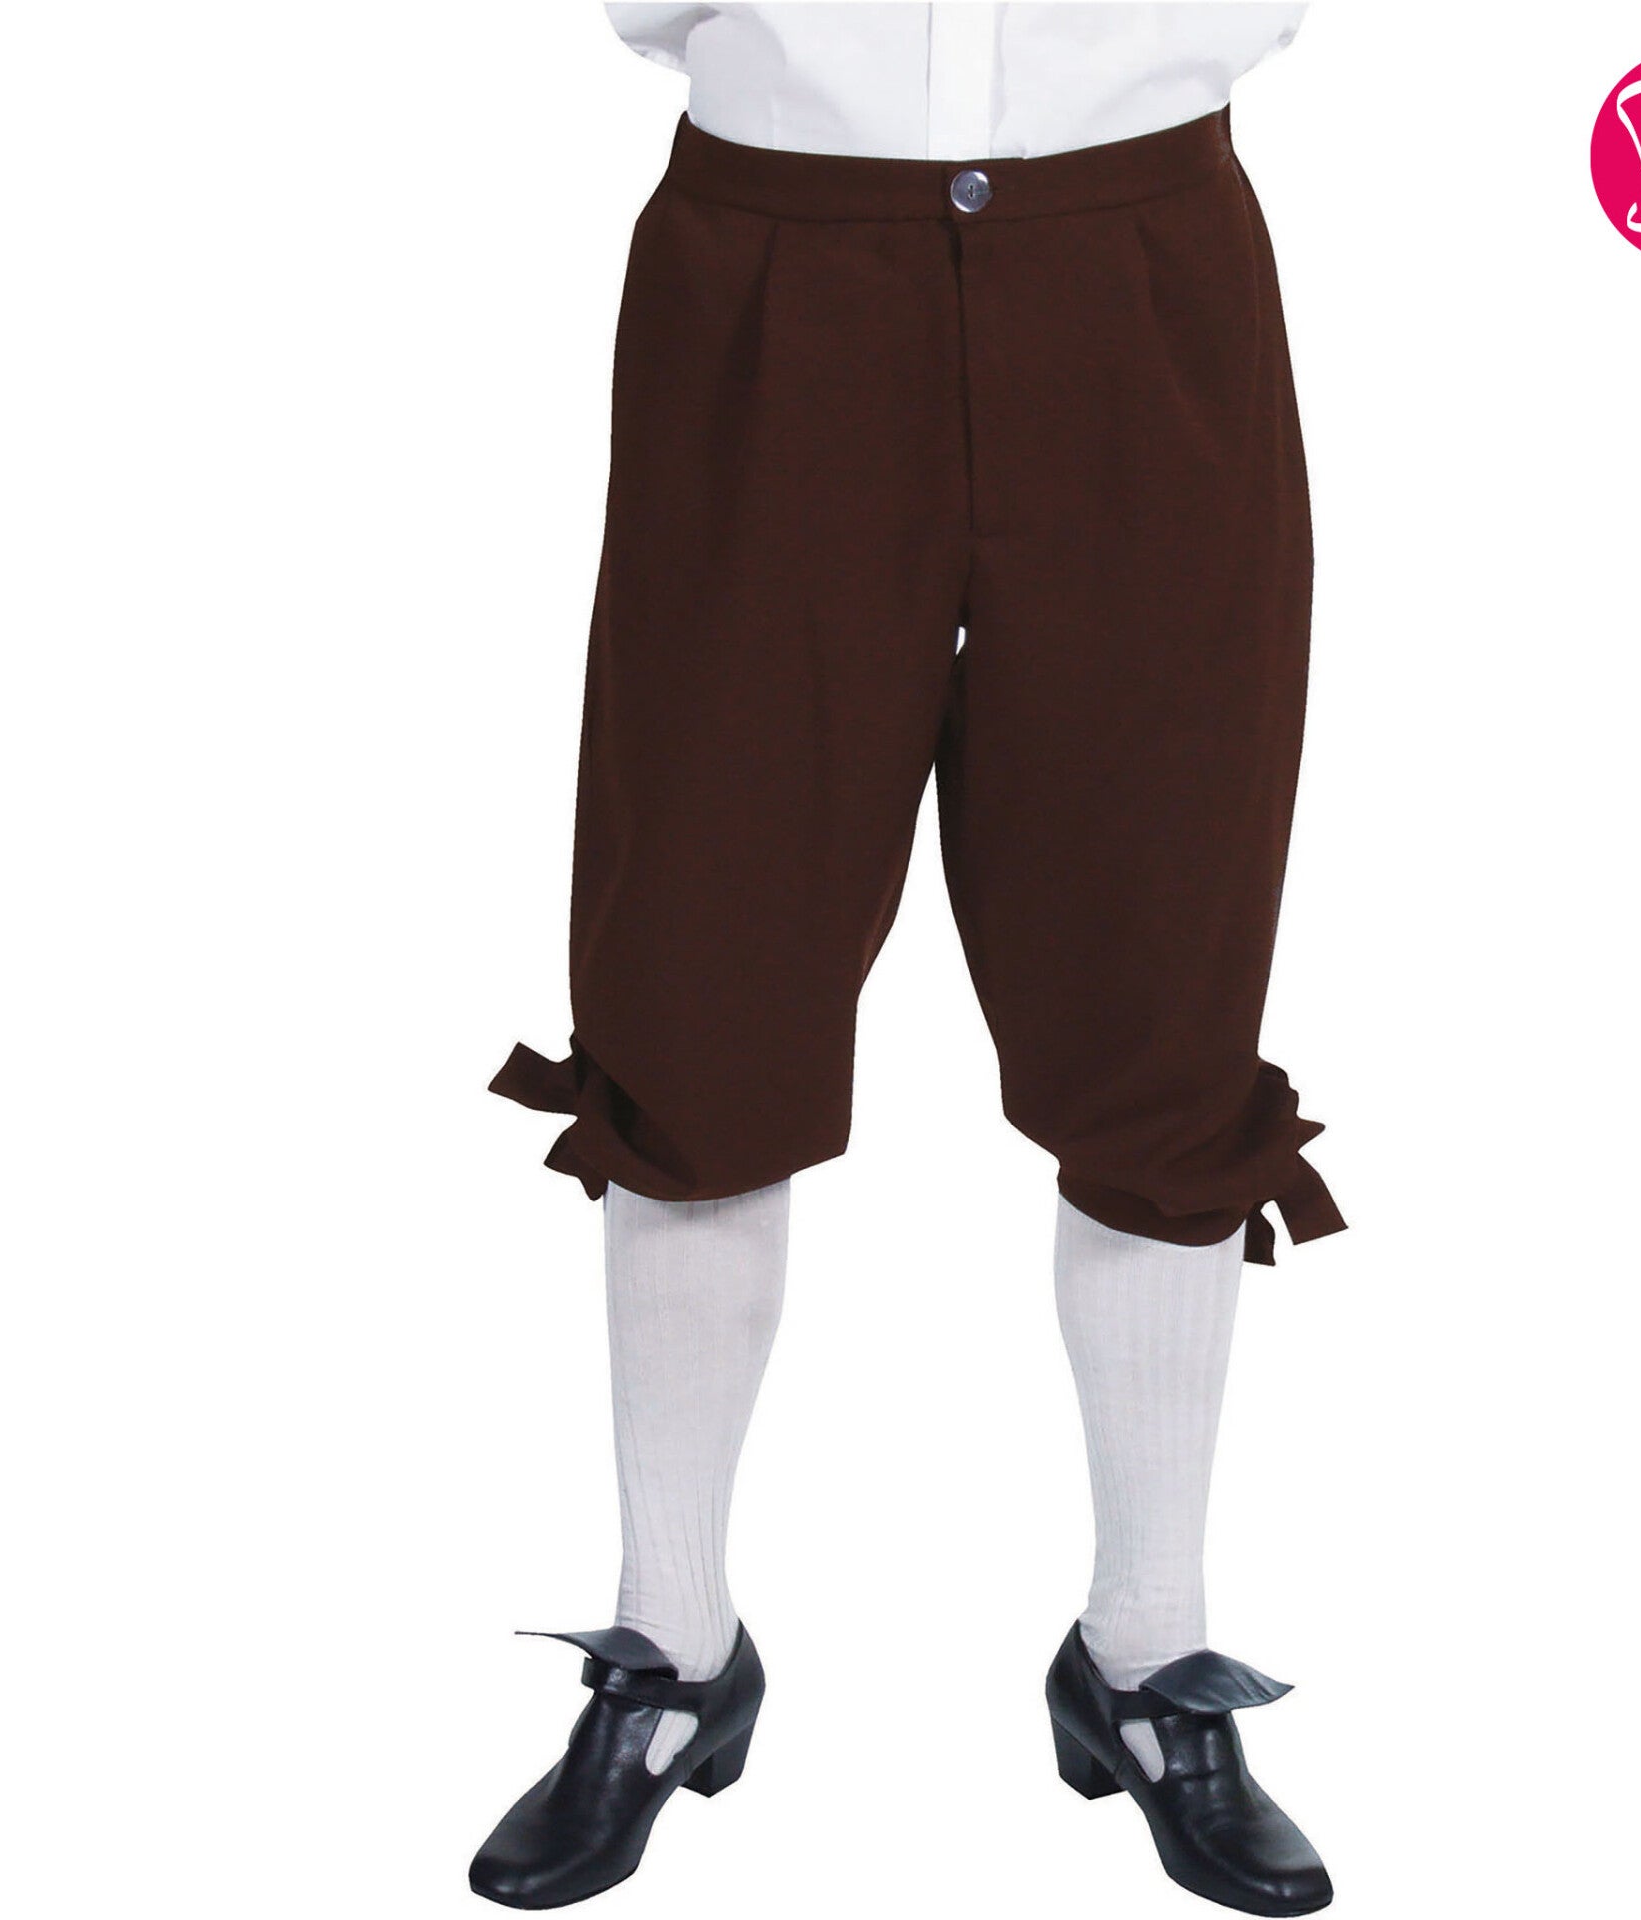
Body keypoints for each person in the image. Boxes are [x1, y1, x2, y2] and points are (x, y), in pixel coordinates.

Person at [470, 6, 1343, 1911]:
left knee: (1159, 972)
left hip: (1141, 272)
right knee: (698, 982)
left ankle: (1147, 1652)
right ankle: (672, 1646)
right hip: (773, 276)